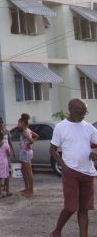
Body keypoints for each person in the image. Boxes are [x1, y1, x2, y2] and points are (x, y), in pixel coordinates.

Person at [49, 99, 97, 237]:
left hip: (87, 173)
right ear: (70, 110)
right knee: (71, 207)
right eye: (80, 112)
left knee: (84, 209)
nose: (83, 115)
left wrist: (95, 152)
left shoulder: (88, 127)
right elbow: (52, 150)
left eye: (85, 112)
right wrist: (64, 167)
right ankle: (57, 231)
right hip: (71, 172)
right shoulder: (61, 127)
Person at [18, 113, 39, 197]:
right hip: (24, 152)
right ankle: (27, 188)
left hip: (26, 153)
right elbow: (37, 136)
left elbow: (32, 140)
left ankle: (31, 190)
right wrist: (28, 143)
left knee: (28, 172)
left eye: (19, 123)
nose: (18, 125)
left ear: (22, 123)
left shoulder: (25, 132)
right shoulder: (28, 130)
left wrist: (29, 143)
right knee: (23, 170)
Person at [0, 131, 12, 198]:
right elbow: (8, 154)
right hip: (4, 161)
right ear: (3, 137)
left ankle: (0, 194)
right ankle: (7, 191)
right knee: (7, 176)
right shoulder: (6, 145)